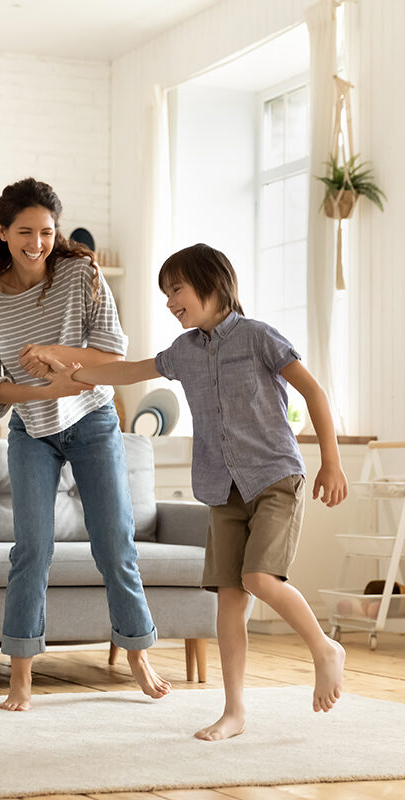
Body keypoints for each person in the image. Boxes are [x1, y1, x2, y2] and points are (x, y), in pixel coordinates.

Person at [68, 242, 348, 741]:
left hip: (274, 478)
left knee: (259, 578)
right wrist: (74, 374)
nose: (169, 302)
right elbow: (131, 371)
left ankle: (324, 648)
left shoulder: (259, 337)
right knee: (229, 602)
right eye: (165, 293)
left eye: (176, 290)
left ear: (212, 283)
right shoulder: (184, 352)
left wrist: (332, 461)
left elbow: (313, 392)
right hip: (223, 490)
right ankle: (234, 711)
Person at [0, 177, 171, 712]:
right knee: (32, 550)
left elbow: (112, 352)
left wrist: (53, 352)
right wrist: (46, 389)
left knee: (114, 543)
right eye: (25, 231)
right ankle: (21, 675)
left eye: (46, 231)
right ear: (2, 232)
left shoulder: (80, 273)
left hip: (92, 421)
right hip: (33, 429)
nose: (37, 243)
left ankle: (137, 654)